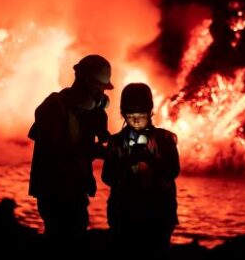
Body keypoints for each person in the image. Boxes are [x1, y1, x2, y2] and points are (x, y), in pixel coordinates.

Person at [28, 54, 113, 242]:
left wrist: (102, 133)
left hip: (75, 190)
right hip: (55, 192)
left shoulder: (84, 111)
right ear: (82, 80)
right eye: (97, 88)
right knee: (63, 240)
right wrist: (93, 150)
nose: (100, 95)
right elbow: (55, 149)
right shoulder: (54, 106)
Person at [102, 82, 180, 253]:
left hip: (158, 216)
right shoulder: (115, 143)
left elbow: (173, 171)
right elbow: (107, 177)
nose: (136, 120)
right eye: (130, 115)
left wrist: (150, 159)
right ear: (122, 113)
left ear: (150, 111)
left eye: (141, 115)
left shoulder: (166, 139)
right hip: (123, 216)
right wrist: (127, 162)